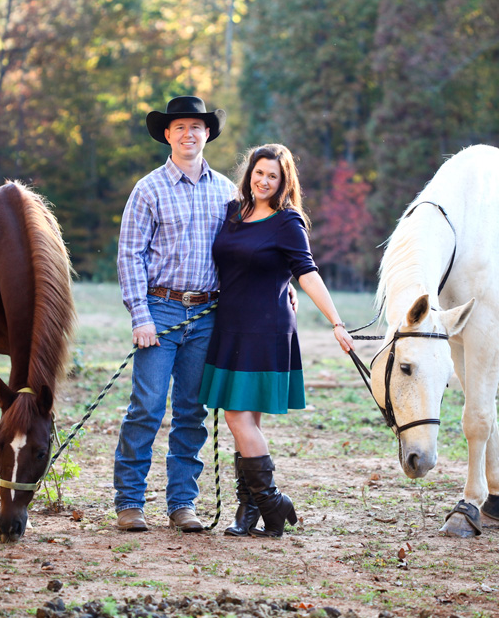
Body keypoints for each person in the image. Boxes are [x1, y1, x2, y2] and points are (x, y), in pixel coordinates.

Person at [198, 143, 355, 538]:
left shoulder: (288, 222)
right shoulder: (233, 212)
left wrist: (336, 321)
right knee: (244, 421)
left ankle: (271, 502)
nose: (264, 181)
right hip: (230, 324)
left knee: (237, 417)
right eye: (259, 173)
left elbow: (306, 271)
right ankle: (250, 511)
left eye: (273, 176)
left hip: (266, 328)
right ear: (249, 173)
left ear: (284, 181)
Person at [114, 96, 235, 533]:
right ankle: (129, 502)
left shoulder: (227, 192)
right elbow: (130, 255)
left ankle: (182, 503)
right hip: (160, 311)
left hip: (207, 314)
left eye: (196, 127)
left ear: (207, 134)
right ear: (167, 134)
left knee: (191, 411)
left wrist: (280, 289)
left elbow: (241, 255)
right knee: (146, 407)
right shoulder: (148, 189)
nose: (189, 134)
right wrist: (140, 316)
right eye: (180, 127)